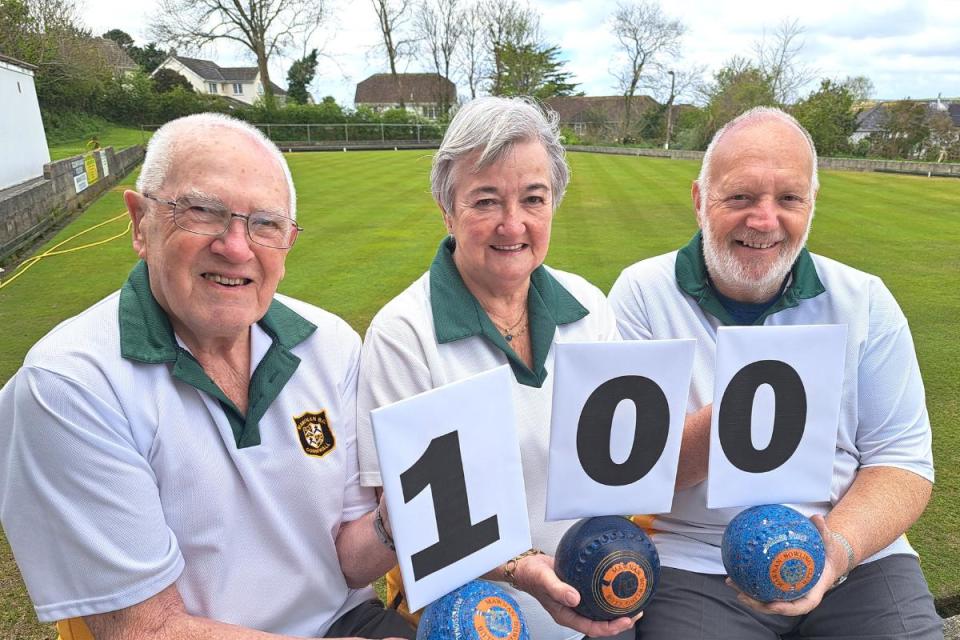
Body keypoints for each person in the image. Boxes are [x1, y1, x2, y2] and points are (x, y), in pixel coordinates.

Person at [0, 113, 413, 640]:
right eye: (201, 211)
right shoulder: (65, 386)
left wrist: (395, 519)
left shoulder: (330, 345)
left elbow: (348, 565)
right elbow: (145, 631)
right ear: (139, 222)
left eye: (266, 223)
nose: (237, 247)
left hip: (341, 623)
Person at [608, 106, 940, 638]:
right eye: (740, 197)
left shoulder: (865, 300)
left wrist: (835, 552)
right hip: (699, 556)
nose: (764, 221)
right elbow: (624, 478)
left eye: (788, 199)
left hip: (850, 550)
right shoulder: (643, 293)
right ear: (699, 199)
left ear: (812, 204)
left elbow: (902, 462)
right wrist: (742, 418)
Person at [355, 96, 638, 640]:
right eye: (485, 201)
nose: (514, 225)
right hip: (471, 614)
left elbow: (617, 465)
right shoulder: (404, 333)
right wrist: (521, 571)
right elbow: (412, 521)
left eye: (534, 198)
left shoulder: (589, 305)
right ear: (448, 210)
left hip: (592, 594)